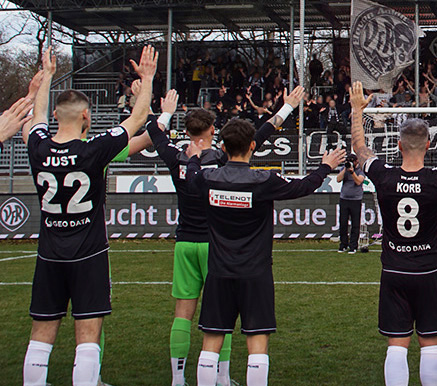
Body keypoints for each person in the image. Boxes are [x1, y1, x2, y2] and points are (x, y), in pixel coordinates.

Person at [145, 86, 306, 386]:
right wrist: (287, 107)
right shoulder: (221, 158)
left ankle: (177, 378)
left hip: (185, 243)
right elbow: (260, 134)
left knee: (183, 313)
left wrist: (165, 113)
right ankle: (223, 376)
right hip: (215, 246)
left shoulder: (177, 158)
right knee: (222, 317)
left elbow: (154, 134)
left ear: (187, 131)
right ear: (212, 130)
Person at [21, 46, 157, 386]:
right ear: (86, 116)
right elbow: (138, 119)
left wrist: (47, 75)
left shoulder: (37, 146)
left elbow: (36, 119)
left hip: (49, 254)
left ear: (56, 115)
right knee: (88, 335)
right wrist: (148, 78)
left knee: (41, 335)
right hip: (89, 254)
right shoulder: (94, 149)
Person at [185, 119, 344, 386]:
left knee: (211, 340)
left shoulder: (208, 178)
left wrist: (193, 158)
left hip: (220, 272)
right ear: (252, 146)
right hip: (255, 273)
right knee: (257, 342)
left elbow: (191, 179)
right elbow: (303, 187)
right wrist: (325, 166)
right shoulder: (264, 180)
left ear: (222, 147)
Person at [348, 81, 437, 386]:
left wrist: (356, 110)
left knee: (396, 343)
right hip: (429, 270)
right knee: (430, 343)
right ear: (428, 145)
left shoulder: (382, 175)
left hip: (394, 271)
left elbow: (359, 148)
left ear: (399, 145)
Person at [336, 153, 366, 254]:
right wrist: (345, 169)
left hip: (356, 200)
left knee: (355, 224)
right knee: (343, 223)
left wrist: (352, 172)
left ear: (356, 162)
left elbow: (358, 181)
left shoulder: (360, 170)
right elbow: (338, 179)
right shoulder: (344, 169)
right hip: (344, 199)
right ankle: (343, 244)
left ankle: (353, 246)